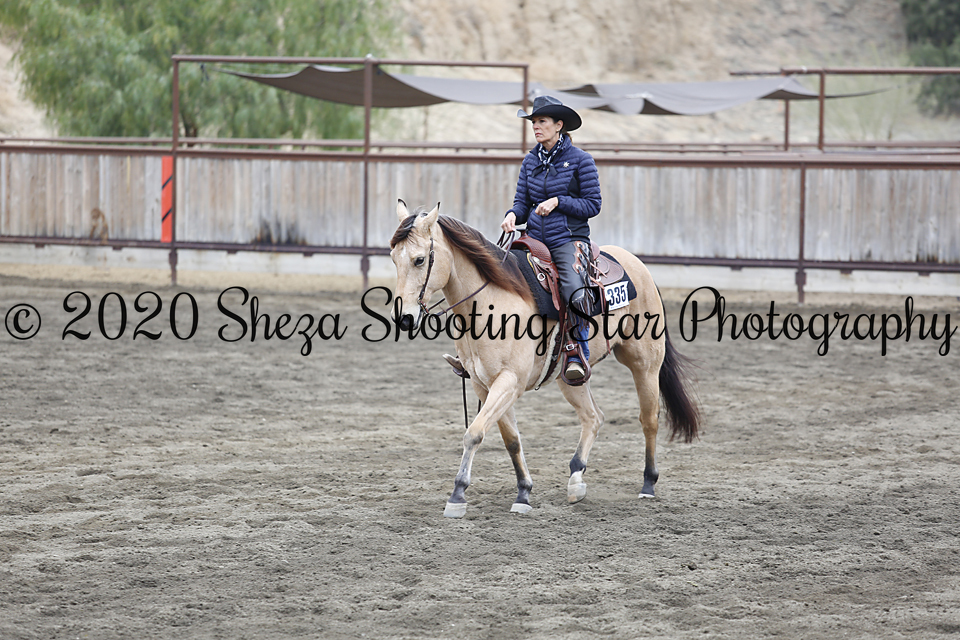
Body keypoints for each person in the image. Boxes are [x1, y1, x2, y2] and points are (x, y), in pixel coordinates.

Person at [501, 95, 601, 382]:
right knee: (498, 275)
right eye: (533, 121)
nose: (535, 126)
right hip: (533, 239)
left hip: (569, 239)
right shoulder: (530, 160)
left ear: (559, 125)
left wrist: (559, 201)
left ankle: (576, 352)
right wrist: (512, 215)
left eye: (542, 121)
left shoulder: (581, 160)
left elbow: (593, 205)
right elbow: (522, 203)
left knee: (573, 289)